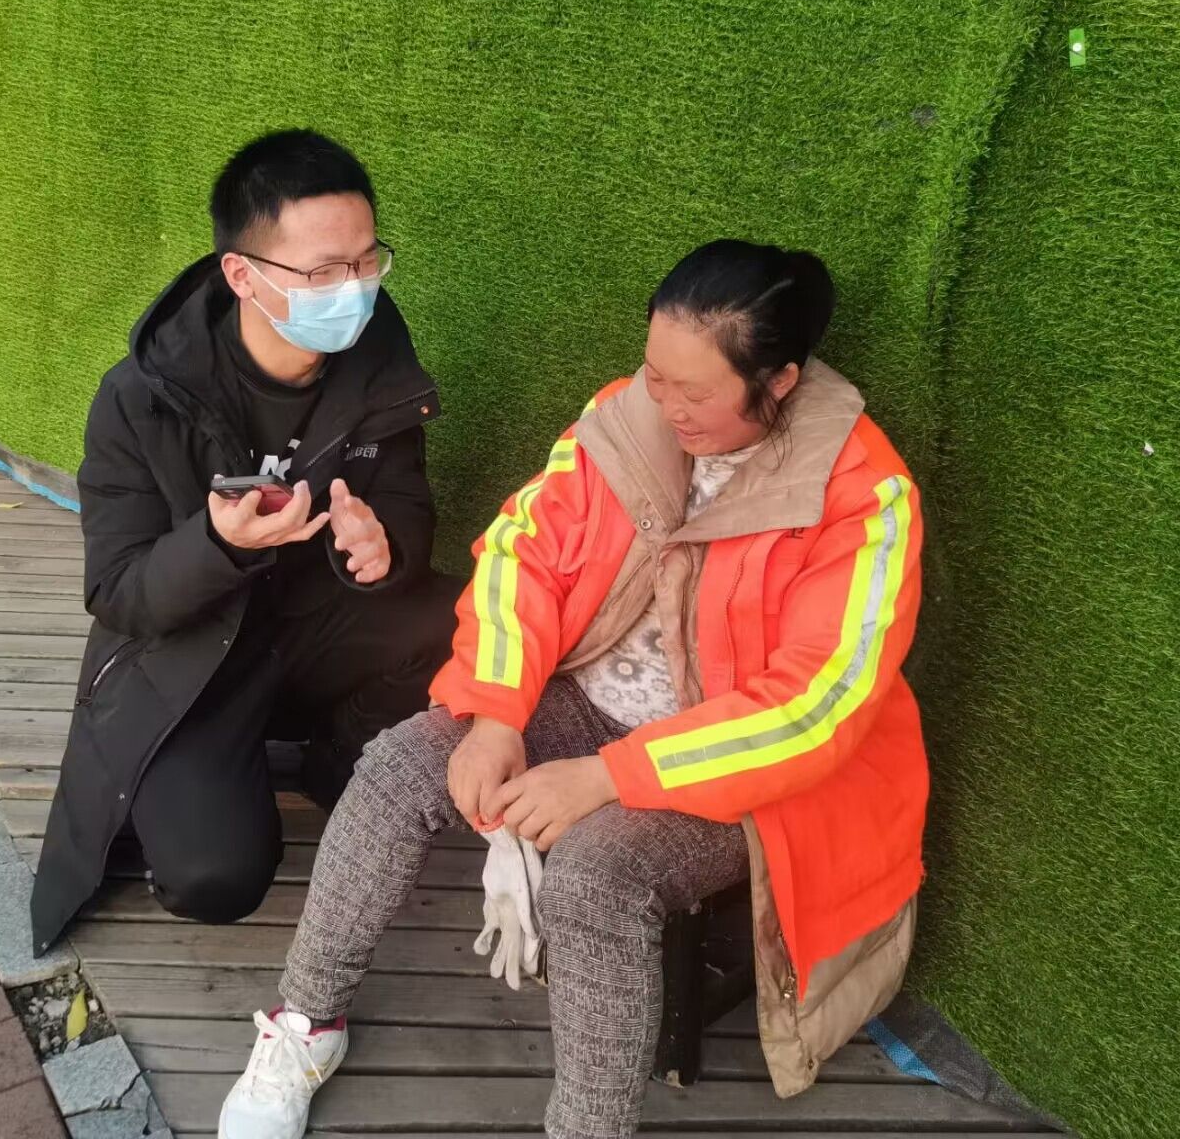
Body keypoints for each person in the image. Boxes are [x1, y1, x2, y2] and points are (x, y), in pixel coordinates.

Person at [218, 240, 929, 1139]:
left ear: (780, 383)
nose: (664, 405)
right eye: (655, 373)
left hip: (743, 771)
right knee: (399, 767)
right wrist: (494, 716)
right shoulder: (622, 418)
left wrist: (606, 779)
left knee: (595, 878)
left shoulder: (866, 496)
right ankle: (306, 1024)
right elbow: (522, 557)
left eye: (694, 391)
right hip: (587, 701)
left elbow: (811, 709)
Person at [30, 130, 461, 954]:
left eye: (367, 261)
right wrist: (218, 546)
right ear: (242, 275)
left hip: (314, 624)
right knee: (215, 878)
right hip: (195, 656)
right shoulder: (142, 396)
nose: (353, 289)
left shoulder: (376, 357)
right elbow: (117, 592)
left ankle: (337, 763)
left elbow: (405, 498)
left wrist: (385, 546)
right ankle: (204, 776)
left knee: (468, 618)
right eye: (323, 272)